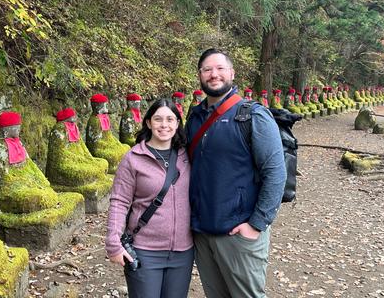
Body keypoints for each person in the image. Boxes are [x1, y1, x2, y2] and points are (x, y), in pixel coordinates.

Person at [185, 48, 286, 298]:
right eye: (207, 69)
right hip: (202, 230)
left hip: (239, 232)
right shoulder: (195, 117)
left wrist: (257, 224)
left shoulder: (252, 116)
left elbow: (276, 172)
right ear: (199, 75)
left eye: (220, 68)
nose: (214, 74)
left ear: (231, 73)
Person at [105, 98, 193, 298]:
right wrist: (113, 243)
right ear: (148, 122)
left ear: (178, 123)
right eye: (158, 119)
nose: (164, 125)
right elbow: (119, 202)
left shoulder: (186, 155)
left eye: (170, 119)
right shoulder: (133, 158)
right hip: (145, 250)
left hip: (183, 251)